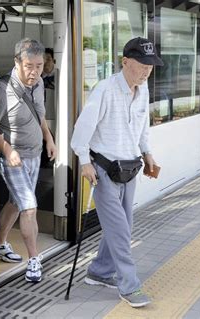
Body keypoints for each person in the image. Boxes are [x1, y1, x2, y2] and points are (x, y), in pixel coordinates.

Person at [70, 37, 163, 308]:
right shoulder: (105, 90)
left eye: (151, 65)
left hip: (130, 168)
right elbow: (80, 132)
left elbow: (142, 127)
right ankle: (129, 286)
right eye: (142, 64)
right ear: (125, 62)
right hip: (103, 170)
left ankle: (98, 272)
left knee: (123, 226)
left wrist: (147, 153)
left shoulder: (143, 90)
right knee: (121, 231)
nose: (147, 70)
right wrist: (84, 162)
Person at [0, 38, 57, 283]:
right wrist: (8, 151)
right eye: (29, 65)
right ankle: (34, 259)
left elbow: (39, 115)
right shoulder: (3, 87)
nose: (35, 71)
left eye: (39, 65)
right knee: (29, 206)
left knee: (16, 202)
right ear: (17, 62)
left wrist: (49, 139)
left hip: (34, 153)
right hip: (12, 157)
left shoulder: (39, 83)